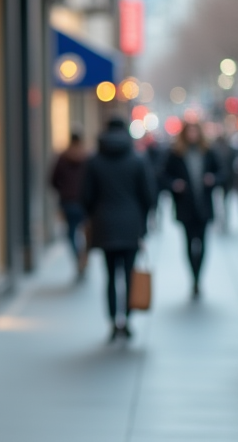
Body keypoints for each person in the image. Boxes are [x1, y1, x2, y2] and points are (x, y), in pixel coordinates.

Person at [82, 117, 155, 341]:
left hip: (105, 225)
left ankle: (114, 322)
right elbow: (149, 196)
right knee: (129, 274)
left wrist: (96, 214)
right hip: (131, 225)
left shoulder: (94, 160)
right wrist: (142, 223)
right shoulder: (137, 159)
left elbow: (85, 197)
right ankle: (128, 320)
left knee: (111, 275)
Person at [163, 121, 221, 298]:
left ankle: (198, 276)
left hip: (203, 205)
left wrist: (213, 179)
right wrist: (174, 184)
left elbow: (222, 173)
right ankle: (193, 276)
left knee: (202, 243)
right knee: (189, 243)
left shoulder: (208, 152)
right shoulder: (176, 153)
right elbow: (163, 175)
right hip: (185, 206)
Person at [50, 132, 89, 278]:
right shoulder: (87, 157)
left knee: (71, 233)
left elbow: (53, 180)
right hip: (84, 202)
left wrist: (63, 190)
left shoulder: (63, 157)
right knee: (86, 233)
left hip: (68, 202)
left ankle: (78, 256)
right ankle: (83, 256)